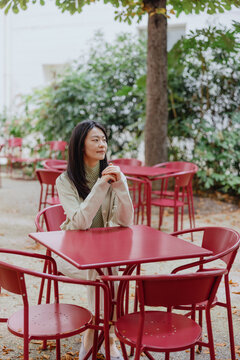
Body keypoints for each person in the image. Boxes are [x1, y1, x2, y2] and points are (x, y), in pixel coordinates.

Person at [55, 120, 134, 360]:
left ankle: (95, 336)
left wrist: (121, 186)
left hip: (106, 252)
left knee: (107, 270)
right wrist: (101, 185)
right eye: (95, 139)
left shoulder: (113, 175)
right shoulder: (65, 181)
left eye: (104, 139)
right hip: (73, 254)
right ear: (81, 146)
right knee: (106, 273)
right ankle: (105, 337)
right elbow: (80, 222)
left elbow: (126, 221)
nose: (102, 144)